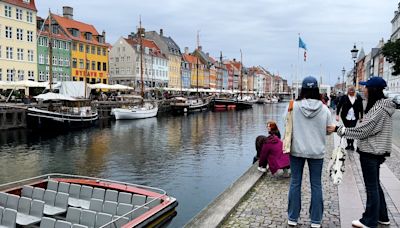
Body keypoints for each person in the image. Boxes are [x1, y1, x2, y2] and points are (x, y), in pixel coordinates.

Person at [327, 77, 395, 228]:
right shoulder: (379, 105)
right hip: (375, 149)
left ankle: (369, 221)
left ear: (373, 90)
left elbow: (364, 130)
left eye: (366, 88)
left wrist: (339, 130)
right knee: (375, 185)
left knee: (371, 187)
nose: (363, 90)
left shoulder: (379, 108)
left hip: (372, 150)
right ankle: (382, 216)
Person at [287, 76, 332, 228]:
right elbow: (328, 131)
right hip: (316, 151)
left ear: (303, 90)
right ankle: (316, 221)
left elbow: (287, 126)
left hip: (297, 150)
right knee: (316, 185)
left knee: (295, 183)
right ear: (317, 90)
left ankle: (292, 218)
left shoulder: (293, 106)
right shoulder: (325, 109)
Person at [336, 86, 364, 150]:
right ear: (348, 91)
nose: (351, 92)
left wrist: (361, 117)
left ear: (354, 91)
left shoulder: (358, 97)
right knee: (347, 130)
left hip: (354, 117)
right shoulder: (344, 97)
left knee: (352, 130)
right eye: (350, 91)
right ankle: (348, 144)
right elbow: (339, 106)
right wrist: (337, 115)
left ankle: (352, 144)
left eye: (352, 91)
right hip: (345, 117)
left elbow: (361, 107)